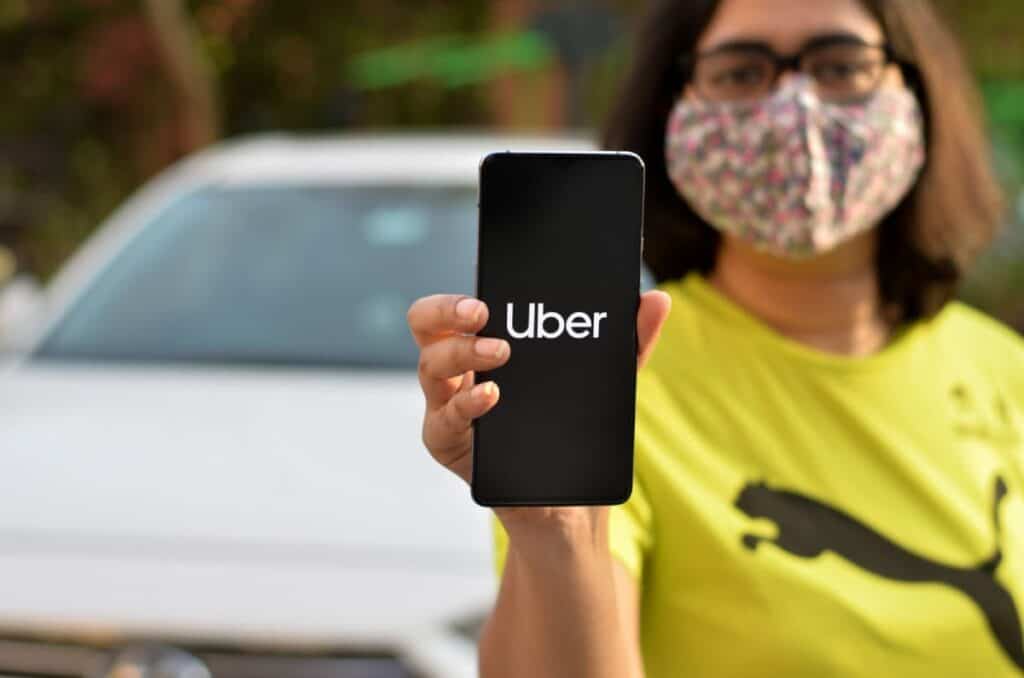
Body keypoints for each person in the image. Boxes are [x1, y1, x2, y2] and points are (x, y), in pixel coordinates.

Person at [405, 0, 1024, 675]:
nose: (795, 107)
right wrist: (557, 528)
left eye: (841, 65)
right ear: (671, 110)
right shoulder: (618, 384)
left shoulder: (1004, 368)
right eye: (739, 72)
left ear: (918, 91)